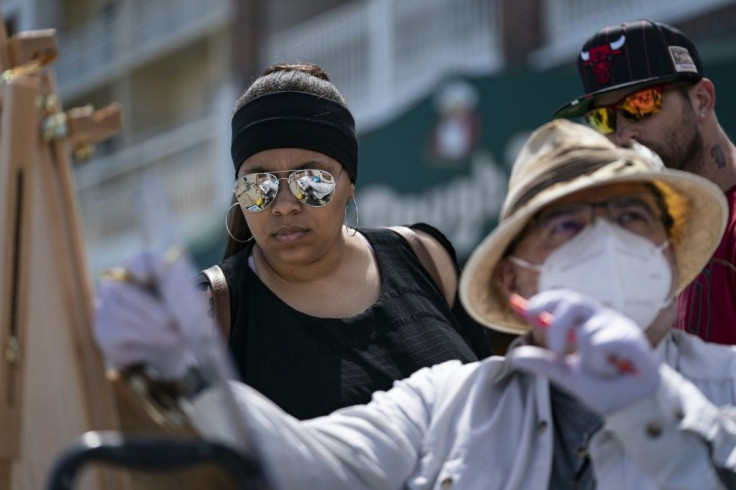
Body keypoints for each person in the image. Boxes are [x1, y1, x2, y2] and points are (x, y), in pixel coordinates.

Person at [95, 119, 736, 488]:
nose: (605, 242)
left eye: (629, 215)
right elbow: (312, 469)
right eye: (567, 226)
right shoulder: (448, 403)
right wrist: (195, 372)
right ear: (517, 277)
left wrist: (654, 420)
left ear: (670, 254)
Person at [202, 62, 492, 420]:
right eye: (258, 186)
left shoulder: (425, 258)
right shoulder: (211, 311)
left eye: (312, 181)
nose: (285, 205)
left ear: (349, 184)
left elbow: (498, 405)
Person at [553, 19, 736, 345]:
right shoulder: (650, 243)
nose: (622, 134)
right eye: (603, 118)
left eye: (641, 103)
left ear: (701, 100)